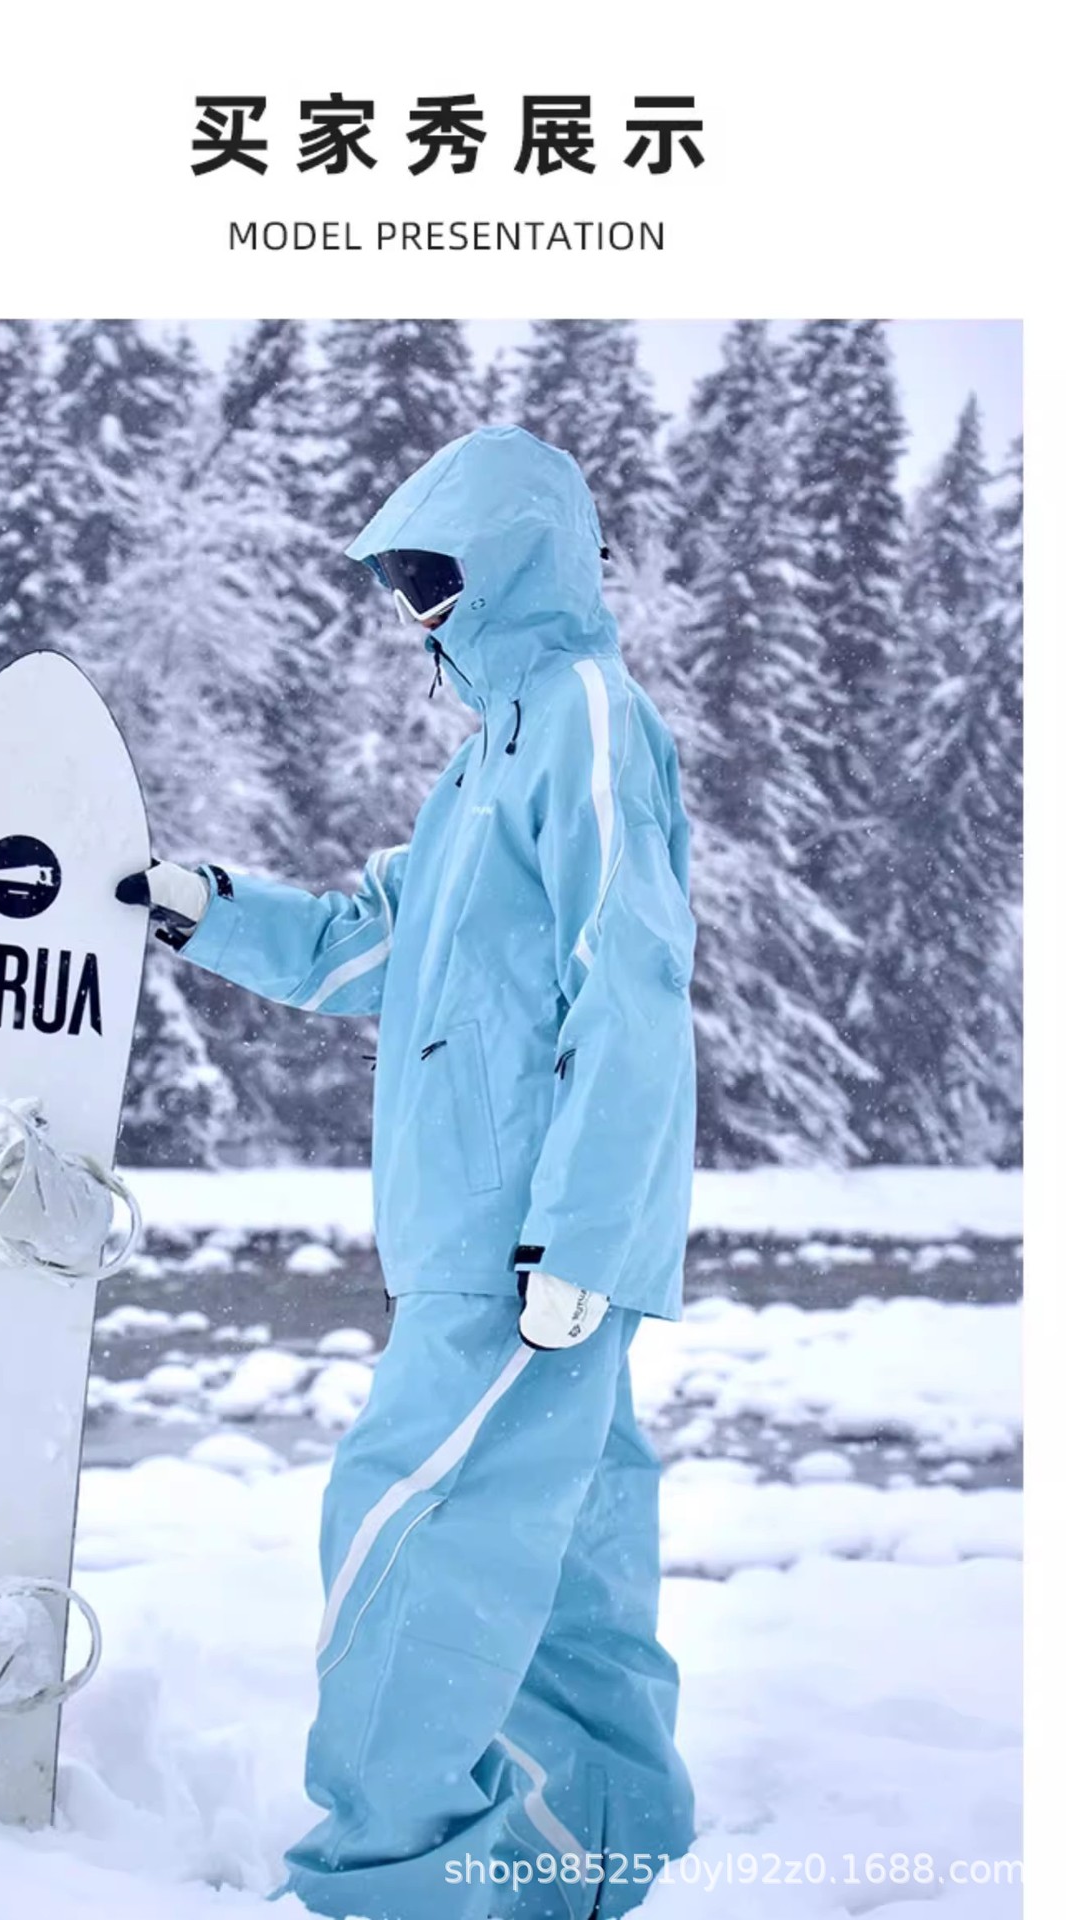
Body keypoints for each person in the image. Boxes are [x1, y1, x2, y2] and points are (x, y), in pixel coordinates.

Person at [117, 426, 697, 1920]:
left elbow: (627, 974)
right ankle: (584, 1860)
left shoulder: (582, 717)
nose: (416, 614)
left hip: (518, 1252)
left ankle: (392, 1884)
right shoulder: (486, 761)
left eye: (436, 579)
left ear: (514, 566)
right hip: (489, 1241)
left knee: (403, 1533)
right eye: (400, 586)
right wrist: (203, 908)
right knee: (566, 1569)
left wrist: (578, 1238)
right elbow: (370, 944)